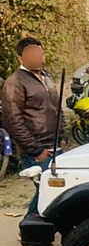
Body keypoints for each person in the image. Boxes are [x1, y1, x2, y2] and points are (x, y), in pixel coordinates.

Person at [1, 37, 63, 214]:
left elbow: (56, 107)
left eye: (40, 53)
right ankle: (30, 227)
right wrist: (35, 150)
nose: (38, 57)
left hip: (55, 145)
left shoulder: (46, 77)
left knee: (53, 190)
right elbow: (13, 121)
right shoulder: (15, 82)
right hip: (37, 149)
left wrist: (63, 134)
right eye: (32, 54)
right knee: (47, 190)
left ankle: (37, 227)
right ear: (20, 57)